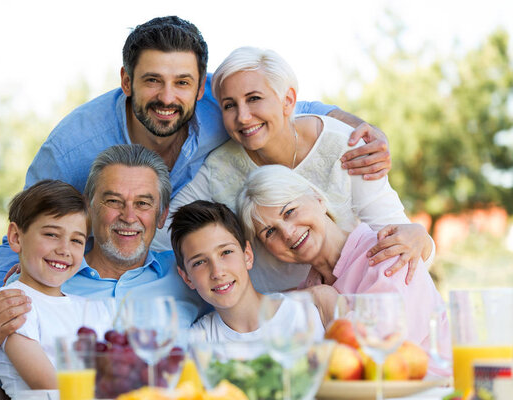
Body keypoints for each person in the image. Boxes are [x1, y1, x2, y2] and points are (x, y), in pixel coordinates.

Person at [0, 16, 392, 298]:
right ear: (127, 80)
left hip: (198, 286)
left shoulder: (221, 108)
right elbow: (22, 232)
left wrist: (364, 129)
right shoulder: (72, 147)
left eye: (182, 83)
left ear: (201, 84)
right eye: (152, 81)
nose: (168, 98)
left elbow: (294, 110)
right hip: (101, 289)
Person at [160, 46, 432, 293]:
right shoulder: (219, 167)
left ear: (288, 100)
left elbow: (402, 242)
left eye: (254, 98)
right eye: (230, 105)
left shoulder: (344, 145)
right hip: (279, 314)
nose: (242, 116)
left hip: (360, 298)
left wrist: (419, 236)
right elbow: (162, 235)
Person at [0, 144, 207, 399]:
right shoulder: (26, 297)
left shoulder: (189, 273)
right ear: (91, 208)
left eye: (143, 203)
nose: (129, 216)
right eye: (113, 201)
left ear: (162, 215)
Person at [236, 165, 451, 377]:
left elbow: (380, 358)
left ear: (318, 199)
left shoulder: (388, 251)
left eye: (290, 211)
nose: (288, 232)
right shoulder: (308, 290)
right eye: (270, 232)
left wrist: (328, 302)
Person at [0, 180, 110, 396]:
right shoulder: (13, 304)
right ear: (17, 238)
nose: (64, 249)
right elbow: (48, 384)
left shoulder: (88, 307)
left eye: (76, 240)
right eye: (52, 235)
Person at [169, 200, 337, 343]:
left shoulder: (313, 307)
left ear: (247, 255)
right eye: (199, 262)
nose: (217, 272)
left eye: (226, 252)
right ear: (186, 277)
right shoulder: (197, 342)